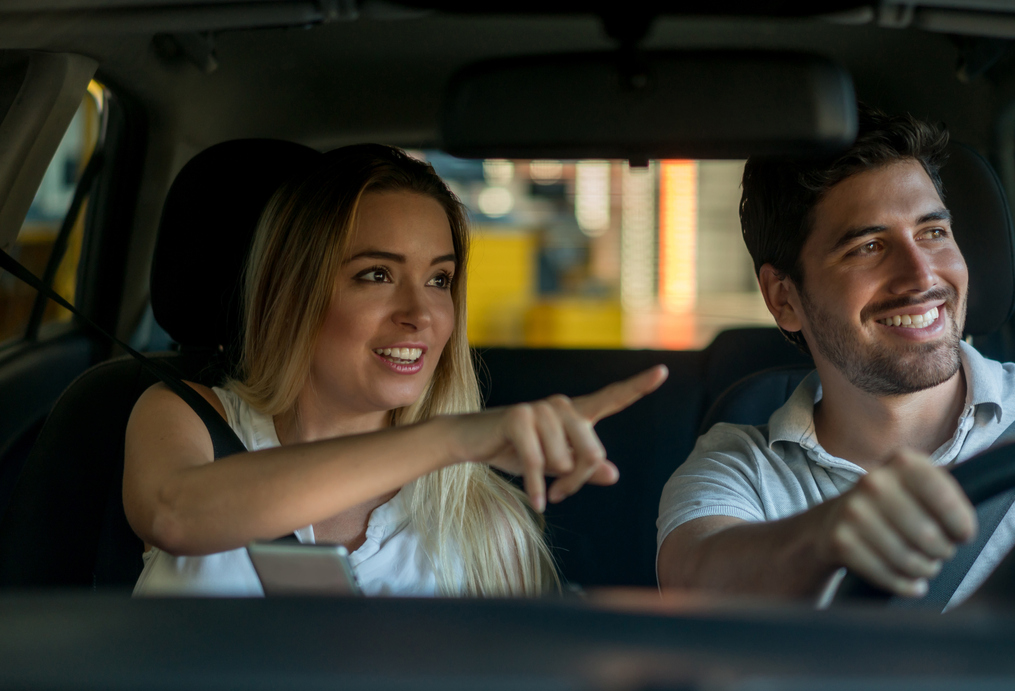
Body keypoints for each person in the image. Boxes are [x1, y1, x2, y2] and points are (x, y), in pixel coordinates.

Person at [656, 108, 1015, 608]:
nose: (923, 276)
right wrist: (826, 534)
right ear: (783, 298)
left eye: (933, 233)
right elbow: (696, 579)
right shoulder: (744, 471)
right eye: (867, 247)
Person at [124, 145, 666, 596]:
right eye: (377, 274)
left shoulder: (488, 529)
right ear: (290, 290)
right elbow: (175, 515)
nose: (421, 314)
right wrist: (450, 438)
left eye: (439, 280)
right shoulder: (192, 418)